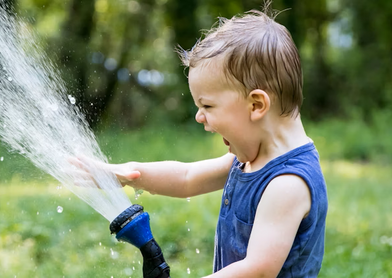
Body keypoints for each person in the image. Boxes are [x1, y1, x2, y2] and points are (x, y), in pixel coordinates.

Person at [72, 4, 327, 277]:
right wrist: (125, 174)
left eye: (207, 106)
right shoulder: (249, 161)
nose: (199, 116)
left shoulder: (287, 184)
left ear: (256, 105)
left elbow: (259, 270)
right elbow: (186, 177)